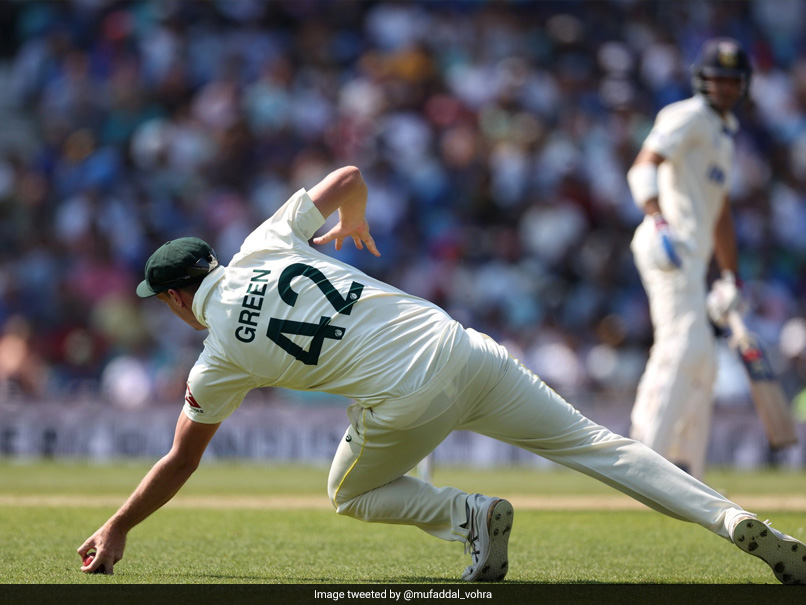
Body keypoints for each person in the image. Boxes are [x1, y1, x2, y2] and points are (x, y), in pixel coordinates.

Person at [78, 166, 804, 584]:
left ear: (177, 297)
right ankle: (733, 518)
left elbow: (181, 458)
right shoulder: (261, 244)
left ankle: (464, 515)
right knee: (600, 445)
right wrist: (353, 220)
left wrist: (117, 525)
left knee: (349, 491)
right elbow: (349, 175)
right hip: (463, 347)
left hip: (405, 397)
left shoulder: (217, 359)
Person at [627, 38, 750, 480]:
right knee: (682, 343)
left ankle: (683, 467)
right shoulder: (686, 115)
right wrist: (657, 219)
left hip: (694, 260)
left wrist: (731, 276)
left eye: (733, 80)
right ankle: (642, 459)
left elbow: (720, 213)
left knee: (704, 356)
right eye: (718, 78)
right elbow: (643, 165)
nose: (725, 87)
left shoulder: (724, 135)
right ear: (703, 79)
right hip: (667, 246)